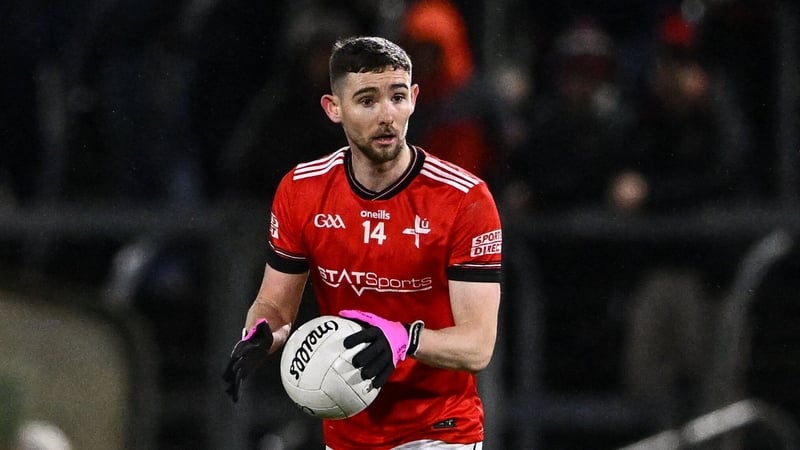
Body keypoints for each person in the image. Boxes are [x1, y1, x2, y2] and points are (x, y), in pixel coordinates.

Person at [222, 36, 503, 449]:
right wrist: (262, 333)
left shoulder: (464, 199)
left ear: (415, 99)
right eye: (368, 100)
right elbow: (275, 304)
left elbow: (478, 345)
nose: (387, 115)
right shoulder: (301, 190)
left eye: (397, 97)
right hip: (346, 428)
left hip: (439, 432)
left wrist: (404, 338)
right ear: (333, 108)